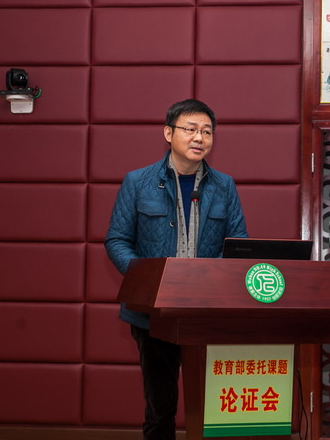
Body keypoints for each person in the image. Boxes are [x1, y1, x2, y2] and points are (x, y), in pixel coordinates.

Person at [105, 99, 248, 439]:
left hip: (208, 309)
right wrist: (148, 281)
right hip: (153, 312)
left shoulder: (224, 185)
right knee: (161, 404)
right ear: (169, 133)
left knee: (214, 401)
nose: (200, 138)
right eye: (191, 129)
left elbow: (238, 245)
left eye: (207, 132)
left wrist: (207, 281)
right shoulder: (137, 182)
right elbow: (117, 240)